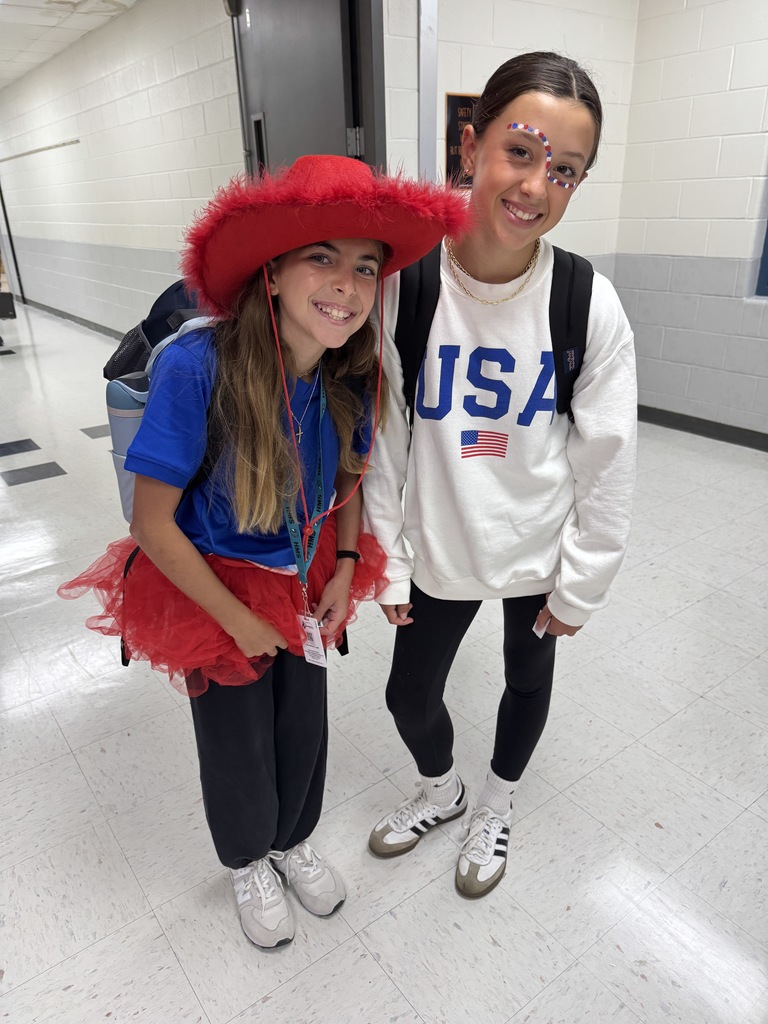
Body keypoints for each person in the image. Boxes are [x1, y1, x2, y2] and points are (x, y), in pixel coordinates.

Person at [58, 154, 469, 947]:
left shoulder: (352, 368)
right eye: (323, 257)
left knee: (301, 724)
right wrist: (236, 624)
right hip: (210, 582)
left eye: (364, 267)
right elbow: (152, 523)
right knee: (237, 737)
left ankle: (294, 841)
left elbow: (349, 478)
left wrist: (347, 566)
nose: (347, 285)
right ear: (273, 270)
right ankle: (250, 856)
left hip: (304, 570)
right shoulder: (196, 365)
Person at [364, 52, 637, 899]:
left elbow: (608, 462)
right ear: (471, 145)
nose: (536, 185)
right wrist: (389, 557)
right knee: (408, 695)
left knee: (527, 680)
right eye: (521, 151)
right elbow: (385, 437)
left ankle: (497, 802)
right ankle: (442, 790)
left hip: (537, 546)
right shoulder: (406, 289)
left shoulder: (585, 301)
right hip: (442, 539)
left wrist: (582, 584)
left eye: (566, 170)